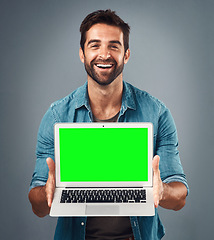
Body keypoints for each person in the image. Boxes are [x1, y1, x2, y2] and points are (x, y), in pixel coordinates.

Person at [28, 9, 189, 240]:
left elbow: (180, 198)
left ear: (127, 54)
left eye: (114, 46)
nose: (104, 54)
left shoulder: (157, 113)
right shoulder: (57, 116)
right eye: (95, 45)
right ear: (82, 54)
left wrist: (161, 192)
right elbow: (38, 207)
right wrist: (47, 193)